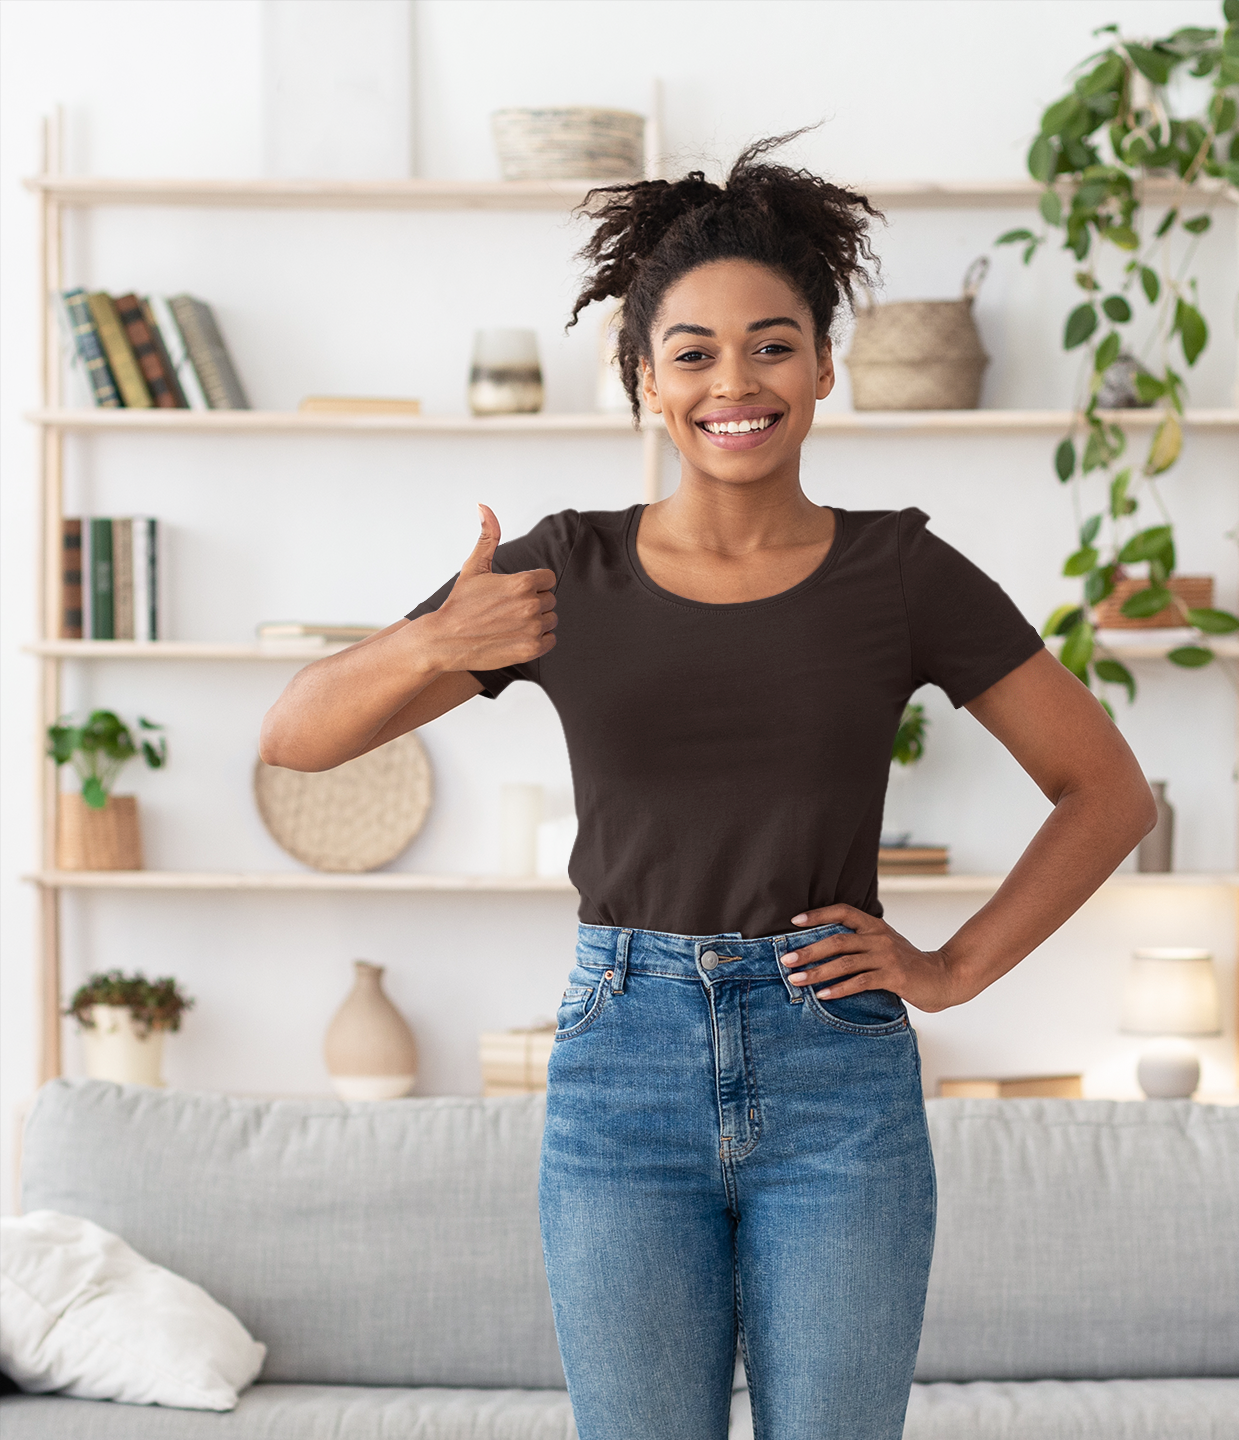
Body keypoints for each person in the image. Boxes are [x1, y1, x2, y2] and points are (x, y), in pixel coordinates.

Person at [258, 135, 1157, 1440]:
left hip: (834, 1075)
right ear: (641, 380)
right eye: (692, 353)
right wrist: (433, 642)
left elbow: (1106, 790)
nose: (735, 381)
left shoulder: (900, 574)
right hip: (622, 1066)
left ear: (825, 364)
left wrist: (953, 970)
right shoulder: (565, 572)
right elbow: (294, 737)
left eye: (773, 343)